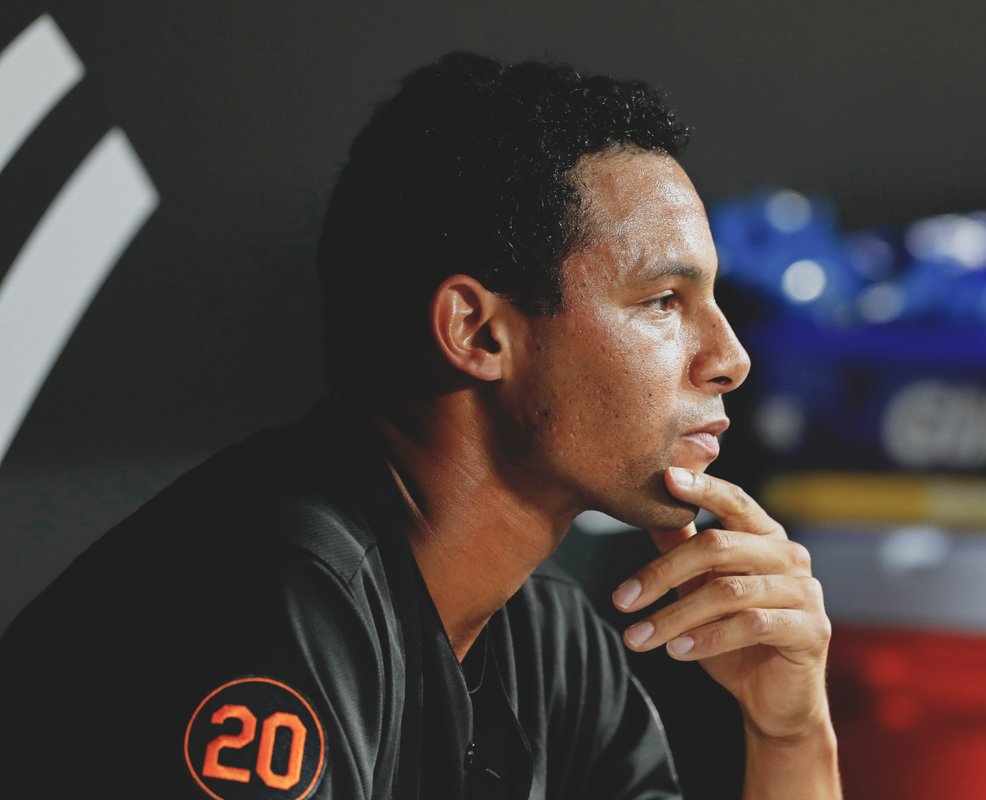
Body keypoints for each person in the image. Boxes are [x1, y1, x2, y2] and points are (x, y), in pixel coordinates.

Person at [0, 53, 839, 799]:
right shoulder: (273, 591)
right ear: (477, 333)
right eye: (664, 302)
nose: (730, 358)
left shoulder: (546, 638)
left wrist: (790, 734)